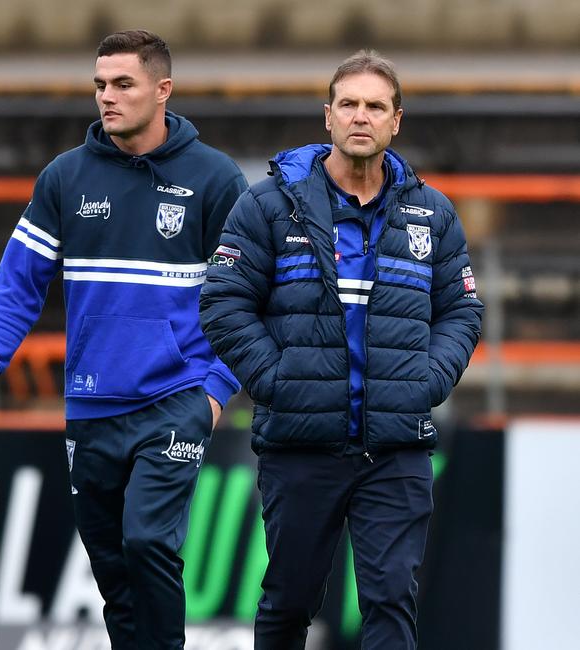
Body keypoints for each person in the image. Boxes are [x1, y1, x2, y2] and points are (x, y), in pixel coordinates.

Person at [0, 29, 247, 650]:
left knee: (147, 542)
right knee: (114, 573)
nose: (106, 98)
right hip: (91, 406)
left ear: (162, 90)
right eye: (99, 85)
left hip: (175, 398)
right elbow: (18, 284)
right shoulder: (65, 178)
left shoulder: (214, 179)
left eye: (123, 84)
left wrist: (216, 390)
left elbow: (248, 297)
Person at [199, 50, 483, 650]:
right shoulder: (268, 206)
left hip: (397, 447)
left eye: (375, 106)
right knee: (288, 603)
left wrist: (426, 382)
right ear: (327, 116)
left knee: (389, 602)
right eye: (348, 104)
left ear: (396, 120)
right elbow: (224, 303)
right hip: (301, 445)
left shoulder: (431, 215)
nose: (361, 116)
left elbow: (462, 310)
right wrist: (278, 382)